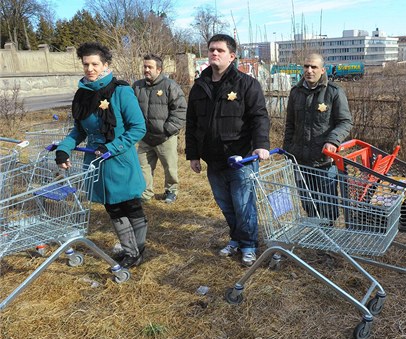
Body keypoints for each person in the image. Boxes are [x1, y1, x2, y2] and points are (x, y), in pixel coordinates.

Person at [55, 42, 148, 269]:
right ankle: (131, 251)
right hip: (96, 163)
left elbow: (138, 128)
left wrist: (112, 147)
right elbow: (79, 130)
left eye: (95, 64)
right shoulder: (82, 95)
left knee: (131, 205)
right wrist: (64, 148)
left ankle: (137, 250)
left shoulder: (121, 91)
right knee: (112, 207)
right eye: (86, 64)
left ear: (105, 64)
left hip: (120, 160)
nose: (90, 69)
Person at [185, 34, 270, 267]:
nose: (214, 53)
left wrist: (261, 145)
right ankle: (236, 238)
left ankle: (249, 245)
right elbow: (191, 123)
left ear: (231, 56)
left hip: (241, 158)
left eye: (220, 50)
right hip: (213, 160)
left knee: (244, 205)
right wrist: (193, 154)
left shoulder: (246, 84)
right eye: (211, 50)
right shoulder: (199, 87)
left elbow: (259, 117)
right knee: (226, 204)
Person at [283, 53, 353, 222]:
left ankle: (327, 240)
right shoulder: (295, 93)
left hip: (324, 161)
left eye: (313, 67)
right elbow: (290, 124)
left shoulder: (334, 92)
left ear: (322, 70)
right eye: (306, 66)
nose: (309, 70)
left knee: (327, 204)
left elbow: (345, 122)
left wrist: (332, 140)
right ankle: (315, 234)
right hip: (299, 161)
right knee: (308, 202)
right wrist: (288, 151)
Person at [133, 54, 187, 203]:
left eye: (150, 67)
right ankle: (146, 193)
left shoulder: (170, 86)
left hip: (165, 138)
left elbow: (181, 109)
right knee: (143, 167)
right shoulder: (137, 86)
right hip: (144, 137)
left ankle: (171, 191)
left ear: (159, 69)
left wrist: (167, 130)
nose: (146, 70)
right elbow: (130, 109)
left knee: (170, 168)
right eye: (145, 66)